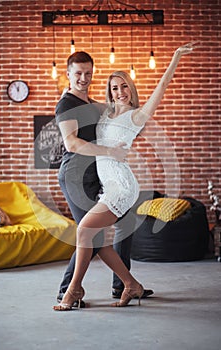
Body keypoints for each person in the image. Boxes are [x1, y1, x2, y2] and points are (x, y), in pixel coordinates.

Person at [54, 42, 198, 311]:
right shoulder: (104, 112)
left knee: (86, 231)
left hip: (120, 185)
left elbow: (162, 88)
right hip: (99, 181)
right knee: (93, 236)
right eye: (114, 88)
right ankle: (129, 285)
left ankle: (73, 290)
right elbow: (73, 128)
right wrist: (68, 93)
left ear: (132, 89)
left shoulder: (136, 115)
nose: (120, 92)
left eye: (124, 86)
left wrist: (175, 57)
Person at [55, 51, 153, 307]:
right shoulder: (66, 104)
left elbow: (118, 118)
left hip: (97, 178)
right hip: (76, 176)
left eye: (88, 73)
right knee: (90, 234)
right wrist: (110, 152)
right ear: (68, 74)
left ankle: (124, 285)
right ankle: (71, 289)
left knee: (113, 228)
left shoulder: (93, 104)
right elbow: (72, 142)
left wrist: (129, 125)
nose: (84, 78)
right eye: (78, 73)